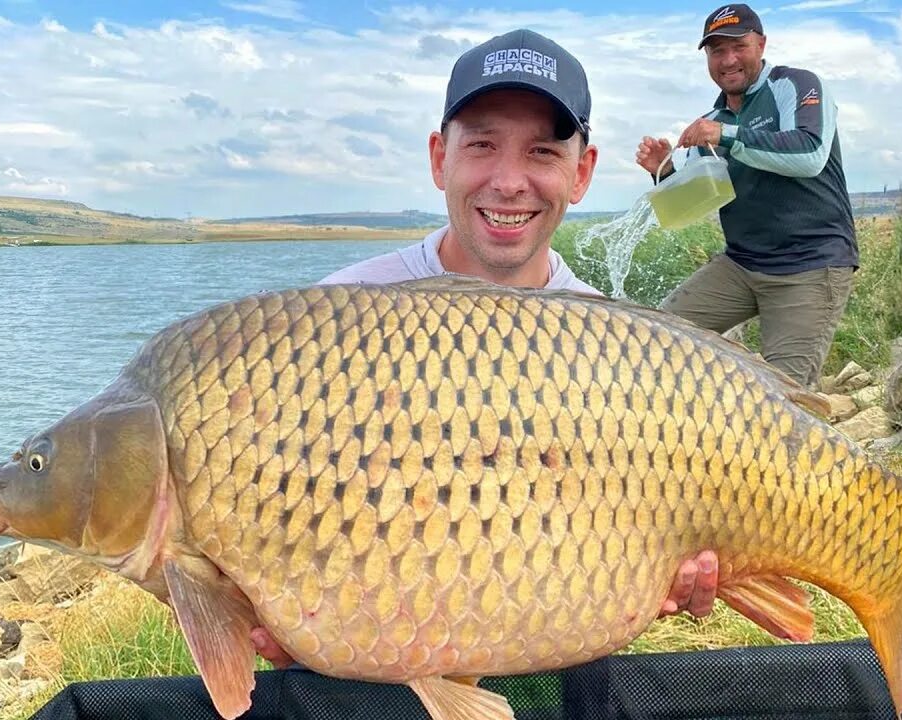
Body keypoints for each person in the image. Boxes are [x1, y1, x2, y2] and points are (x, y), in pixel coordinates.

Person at [250, 28, 720, 669]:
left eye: (542, 153)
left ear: (581, 173)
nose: (509, 182)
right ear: (439, 157)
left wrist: (658, 571)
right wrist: (297, 619)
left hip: (542, 642)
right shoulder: (338, 317)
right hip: (372, 663)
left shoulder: (616, 346)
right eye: (481, 146)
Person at [636, 3, 858, 389]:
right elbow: (700, 198)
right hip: (741, 265)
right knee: (655, 339)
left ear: (761, 44)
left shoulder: (796, 85)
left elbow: (809, 154)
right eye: (717, 51)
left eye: (738, 47)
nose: (728, 59)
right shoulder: (715, 118)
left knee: (782, 397)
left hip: (809, 266)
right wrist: (665, 171)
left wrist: (726, 137)